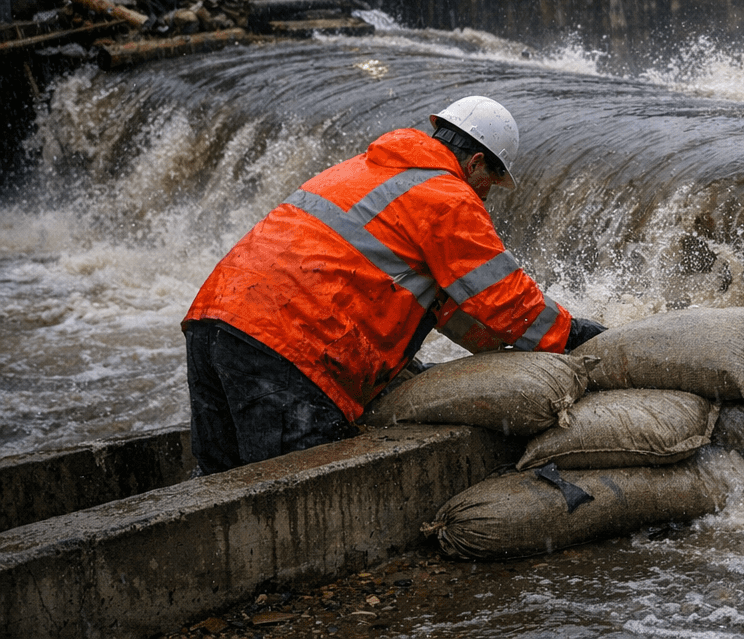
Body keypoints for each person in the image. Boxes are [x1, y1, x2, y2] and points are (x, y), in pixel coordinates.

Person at [182, 96, 605, 475]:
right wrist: (573, 335)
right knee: (292, 496)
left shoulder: (362, 169)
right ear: (475, 163)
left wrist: (500, 353)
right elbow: (505, 301)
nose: (486, 195)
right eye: (490, 183)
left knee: (221, 484)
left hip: (214, 321)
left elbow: (453, 309)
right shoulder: (448, 197)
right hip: (289, 347)